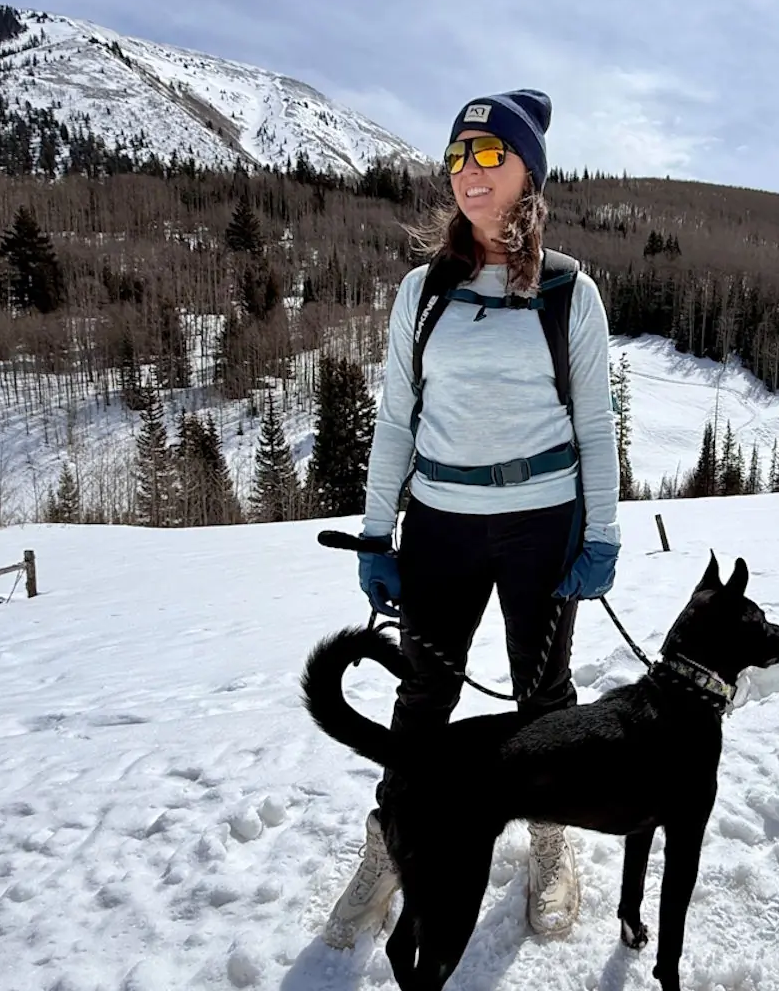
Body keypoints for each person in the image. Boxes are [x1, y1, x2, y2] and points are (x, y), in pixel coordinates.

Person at [323, 89, 621, 950]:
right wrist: (378, 534)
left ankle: (550, 841)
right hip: (443, 522)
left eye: (490, 156)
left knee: (545, 697)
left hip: (543, 521)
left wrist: (601, 535)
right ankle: (391, 841)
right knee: (423, 697)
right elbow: (394, 421)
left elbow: (596, 424)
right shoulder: (423, 292)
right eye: (459, 158)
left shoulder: (570, 292)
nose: (470, 174)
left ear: (529, 171)